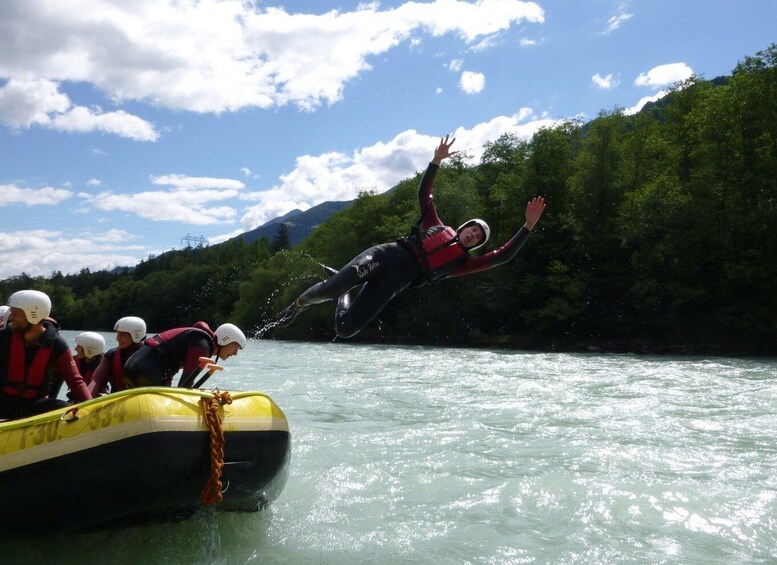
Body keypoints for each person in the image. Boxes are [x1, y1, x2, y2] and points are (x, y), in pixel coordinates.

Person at [277, 135, 546, 338]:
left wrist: (528, 225)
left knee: (345, 329)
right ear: (463, 228)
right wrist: (436, 160)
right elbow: (424, 193)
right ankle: (299, 303)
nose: (472, 235)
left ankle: (343, 296)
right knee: (331, 287)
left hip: (395, 283)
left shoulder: (463, 264)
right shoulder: (435, 224)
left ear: (475, 245)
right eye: (472, 230)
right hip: (385, 257)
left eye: (477, 238)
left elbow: (503, 257)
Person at [0, 290, 91, 420]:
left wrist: (91, 408)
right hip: (2, 401)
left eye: (16, 313)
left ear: (34, 316)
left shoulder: (57, 344)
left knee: (64, 407)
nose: (10, 317)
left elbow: (75, 382)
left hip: (35, 405)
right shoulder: (3, 337)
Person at [122, 321, 246, 388]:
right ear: (225, 339)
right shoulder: (202, 344)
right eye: (235, 347)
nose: (235, 353)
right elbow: (185, 384)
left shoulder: (197, 339)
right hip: (146, 370)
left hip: (132, 366)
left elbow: (170, 368)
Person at [87, 316, 146, 397]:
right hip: (119, 402)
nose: (117, 338)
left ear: (136, 335)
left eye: (122, 334)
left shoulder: (152, 354)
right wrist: (87, 400)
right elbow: (96, 380)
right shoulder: (111, 355)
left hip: (147, 402)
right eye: (117, 333)